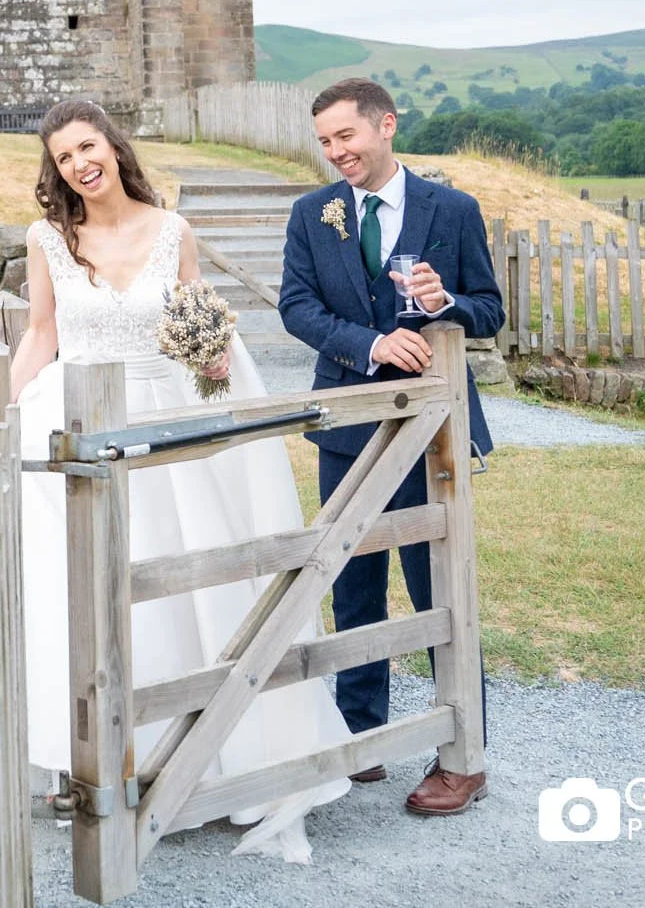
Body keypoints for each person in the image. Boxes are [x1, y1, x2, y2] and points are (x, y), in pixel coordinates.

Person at [0, 99, 352, 863]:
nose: (78, 164)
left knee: (187, 579)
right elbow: (42, 334)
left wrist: (214, 362)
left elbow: (202, 330)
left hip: (164, 422)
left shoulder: (174, 233)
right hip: (71, 414)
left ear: (113, 146)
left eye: (87, 146)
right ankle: (78, 759)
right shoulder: (49, 239)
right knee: (62, 583)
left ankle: (197, 757)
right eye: (63, 157)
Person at [278, 77, 500, 818]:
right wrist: (371, 342)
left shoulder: (453, 210)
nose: (336, 152)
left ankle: (461, 754)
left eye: (346, 136)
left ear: (386, 126)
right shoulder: (313, 214)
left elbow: (489, 309)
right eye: (326, 142)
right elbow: (297, 307)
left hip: (433, 434)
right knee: (354, 584)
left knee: (439, 584)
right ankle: (361, 735)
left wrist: (446, 306)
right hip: (348, 420)